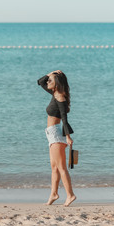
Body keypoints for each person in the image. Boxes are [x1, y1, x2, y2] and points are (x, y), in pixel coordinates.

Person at [37, 70, 76, 207]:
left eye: (51, 80)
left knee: (61, 167)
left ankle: (70, 195)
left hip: (56, 135)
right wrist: (51, 73)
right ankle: (54, 194)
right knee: (54, 167)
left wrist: (68, 137)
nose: (47, 82)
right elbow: (39, 81)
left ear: (57, 84)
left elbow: (65, 120)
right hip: (51, 133)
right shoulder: (55, 93)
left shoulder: (61, 98)